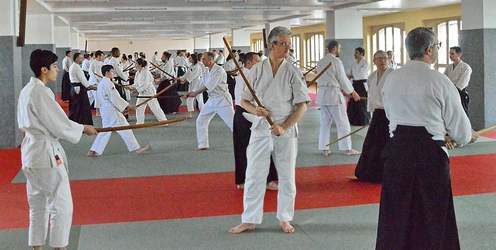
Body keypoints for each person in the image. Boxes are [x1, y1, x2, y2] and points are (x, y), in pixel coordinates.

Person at [376, 27, 475, 249]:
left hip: (397, 152)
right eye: (439, 46)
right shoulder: (439, 81)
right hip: (430, 155)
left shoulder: (391, 79)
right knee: (432, 216)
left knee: (395, 215)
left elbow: (390, 117)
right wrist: (458, 136)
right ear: (429, 50)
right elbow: (462, 132)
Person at [229, 26, 310, 234]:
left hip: (285, 130)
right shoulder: (257, 69)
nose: (287, 48)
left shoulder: (293, 71)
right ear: (272, 45)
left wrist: (284, 127)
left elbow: (302, 105)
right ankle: (249, 219)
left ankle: (285, 218)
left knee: (286, 176)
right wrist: (255, 110)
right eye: (284, 44)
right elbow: (244, 101)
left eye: (289, 44)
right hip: (261, 129)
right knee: (254, 174)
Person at [18, 49, 98, 250]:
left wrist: (79, 128)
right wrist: (82, 128)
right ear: (43, 69)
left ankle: (36, 246)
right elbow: (58, 123)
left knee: (38, 204)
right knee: (61, 205)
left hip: (31, 153)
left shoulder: (27, 90)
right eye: (54, 67)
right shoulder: (40, 91)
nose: (57, 70)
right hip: (44, 154)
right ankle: (59, 247)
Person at [232, 52, 278, 191]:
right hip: (248, 115)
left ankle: (245, 181)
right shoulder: (246, 76)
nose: (260, 63)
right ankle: (264, 181)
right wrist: (259, 112)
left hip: (246, 114)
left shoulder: (249, 74)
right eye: (257, 61)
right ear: (249, 63)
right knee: (257, 147)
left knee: (246, 148)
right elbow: (246, 100)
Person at [348, 50, 394, 183]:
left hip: (390, 114)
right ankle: (366, 173)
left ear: (389, 60)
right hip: (377, 113)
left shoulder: (393, 75)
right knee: (370, 144)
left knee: (387, 145)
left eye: (385, 58)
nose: (383, 61)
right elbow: (372, 96)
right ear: (374, 61)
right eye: (379, 58)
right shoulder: (372, 77)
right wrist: (370, 113)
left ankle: (388, 175)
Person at [87, 65, 149, 157]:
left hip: (106, 109)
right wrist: (129, 106)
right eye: (112, 71)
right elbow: (115, 98)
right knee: (125, 128)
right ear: (107, 73)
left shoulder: (102, 83)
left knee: (106, 130)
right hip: (111, 110)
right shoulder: (108, 83)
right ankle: (136, 148)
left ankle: (94, 150)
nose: (113, 73)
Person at [317, 40, 362, 157]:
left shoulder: (320, 62)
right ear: (335, 48)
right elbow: (342, 78)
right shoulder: (336, 61)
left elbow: (333, 80)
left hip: (323, 94)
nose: (340, 51)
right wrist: (353, 92)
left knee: (325, 123)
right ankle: (347, 149)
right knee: (343, 123)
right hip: (333, 96)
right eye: (340, 48)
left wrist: (345, 92)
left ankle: (324, 149)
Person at [187, 52, 234, 151]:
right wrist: (190, 93)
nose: (202, 61)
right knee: (201, 120)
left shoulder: (219, 70)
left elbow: (209, 86)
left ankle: (245, 142)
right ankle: (203, 144)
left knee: (233, 124)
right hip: (212, 100)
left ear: (210, 60)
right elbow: (200, 85)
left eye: (204, 59)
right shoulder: (205, 72)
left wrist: (195, 94)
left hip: (222, 100)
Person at [127, 58, 168, 124]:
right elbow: (136, 84)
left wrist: (136, 89)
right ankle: (139, 123)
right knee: (139, 108)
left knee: (155, 108)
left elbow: (145, 84)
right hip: (142, 93)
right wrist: (130, 87)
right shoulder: (137, 73)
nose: (135, 65)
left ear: (140, 65)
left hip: (149, 93)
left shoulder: (146, 72)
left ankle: (164, 121)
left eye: (136, 64)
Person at [68, 53, 96, 125]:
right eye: (80, 58)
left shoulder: (73, 66)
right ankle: (83, 123)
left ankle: (76, 122)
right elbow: (83, 80)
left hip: (75, 88)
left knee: (76, 106)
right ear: (76, 59)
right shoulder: (76, 67)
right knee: (82, 107)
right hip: (79, 89)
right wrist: (91, 87)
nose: (82, 59)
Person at [444, 46, 472, 117]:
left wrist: (453, 90)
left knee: (463, 113)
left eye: (452, 54)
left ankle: (466, 128)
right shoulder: (449, 67)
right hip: (449, 92)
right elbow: (444, 79)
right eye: (449, 54)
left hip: (460, 93)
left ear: (459, 55)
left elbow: (462, 84)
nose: (450, 56)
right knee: (451, 114)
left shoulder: (466, 67)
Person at [346, 47, 370, 126]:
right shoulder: (354, 63)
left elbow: (361, 74)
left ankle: (363, 120)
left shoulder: (366, 63)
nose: (354, 54)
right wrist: (347, 76)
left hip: (362, 84)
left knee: (362, 103)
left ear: (361, 54)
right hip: (355, 84)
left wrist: (352, 76)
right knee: (353, 102)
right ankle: (352, 120)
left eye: (356, 53)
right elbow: (348, 72)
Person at [88, 50, 105, 116]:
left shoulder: (100, 63)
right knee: (96, 97)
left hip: (95, 82)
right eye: (102, 56)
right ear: (98, 56)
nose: (103, 57)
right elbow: (97, 74)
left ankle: (85, 110)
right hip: (95, 82)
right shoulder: (94, 63)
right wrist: (103, 80)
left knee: (91, 97)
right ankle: (98, 112)